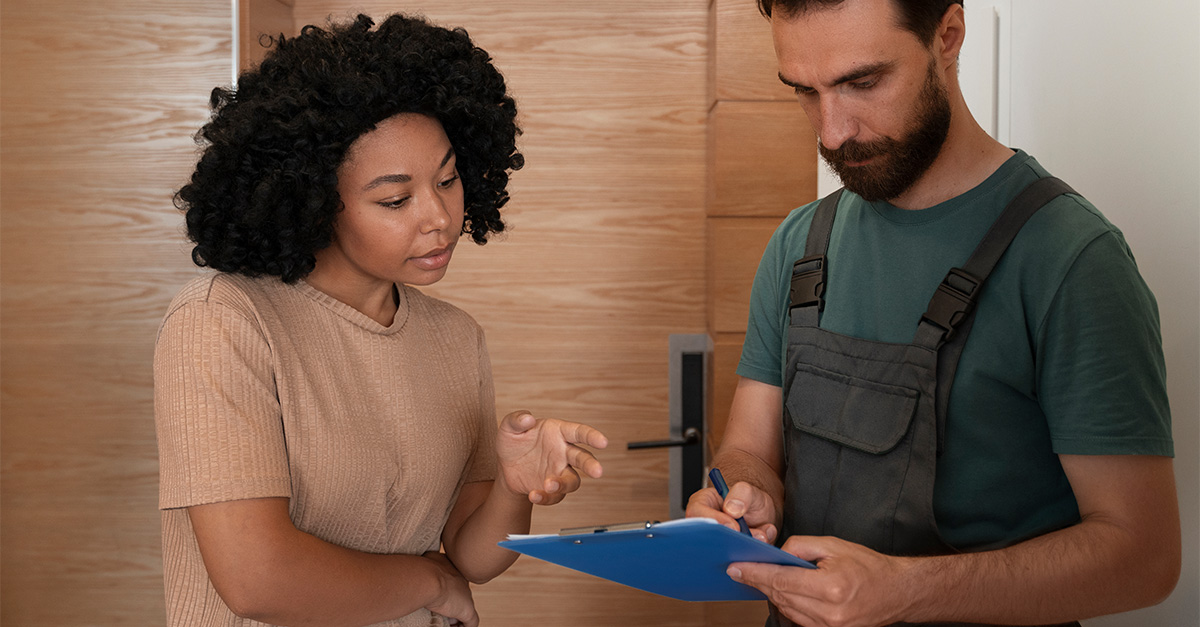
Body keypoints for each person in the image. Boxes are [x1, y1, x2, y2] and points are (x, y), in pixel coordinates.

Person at [686, 1, 1180, 626]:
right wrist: (741, 494)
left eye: (861, 82)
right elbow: (749, 449)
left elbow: (1144, 558)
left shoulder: (1071, 259)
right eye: (804, 92)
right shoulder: (799, 243)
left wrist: (904, 590)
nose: (832, 132)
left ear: (947, 35)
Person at [154, 14, 607, 627]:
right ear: (313, 199)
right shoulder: (224, 322)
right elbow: (256, 578)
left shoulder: (454, 337)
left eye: (447, 180)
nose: (440, 217)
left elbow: (472, 556)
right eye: (395, 200)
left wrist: (512, 487)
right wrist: (428, 581)